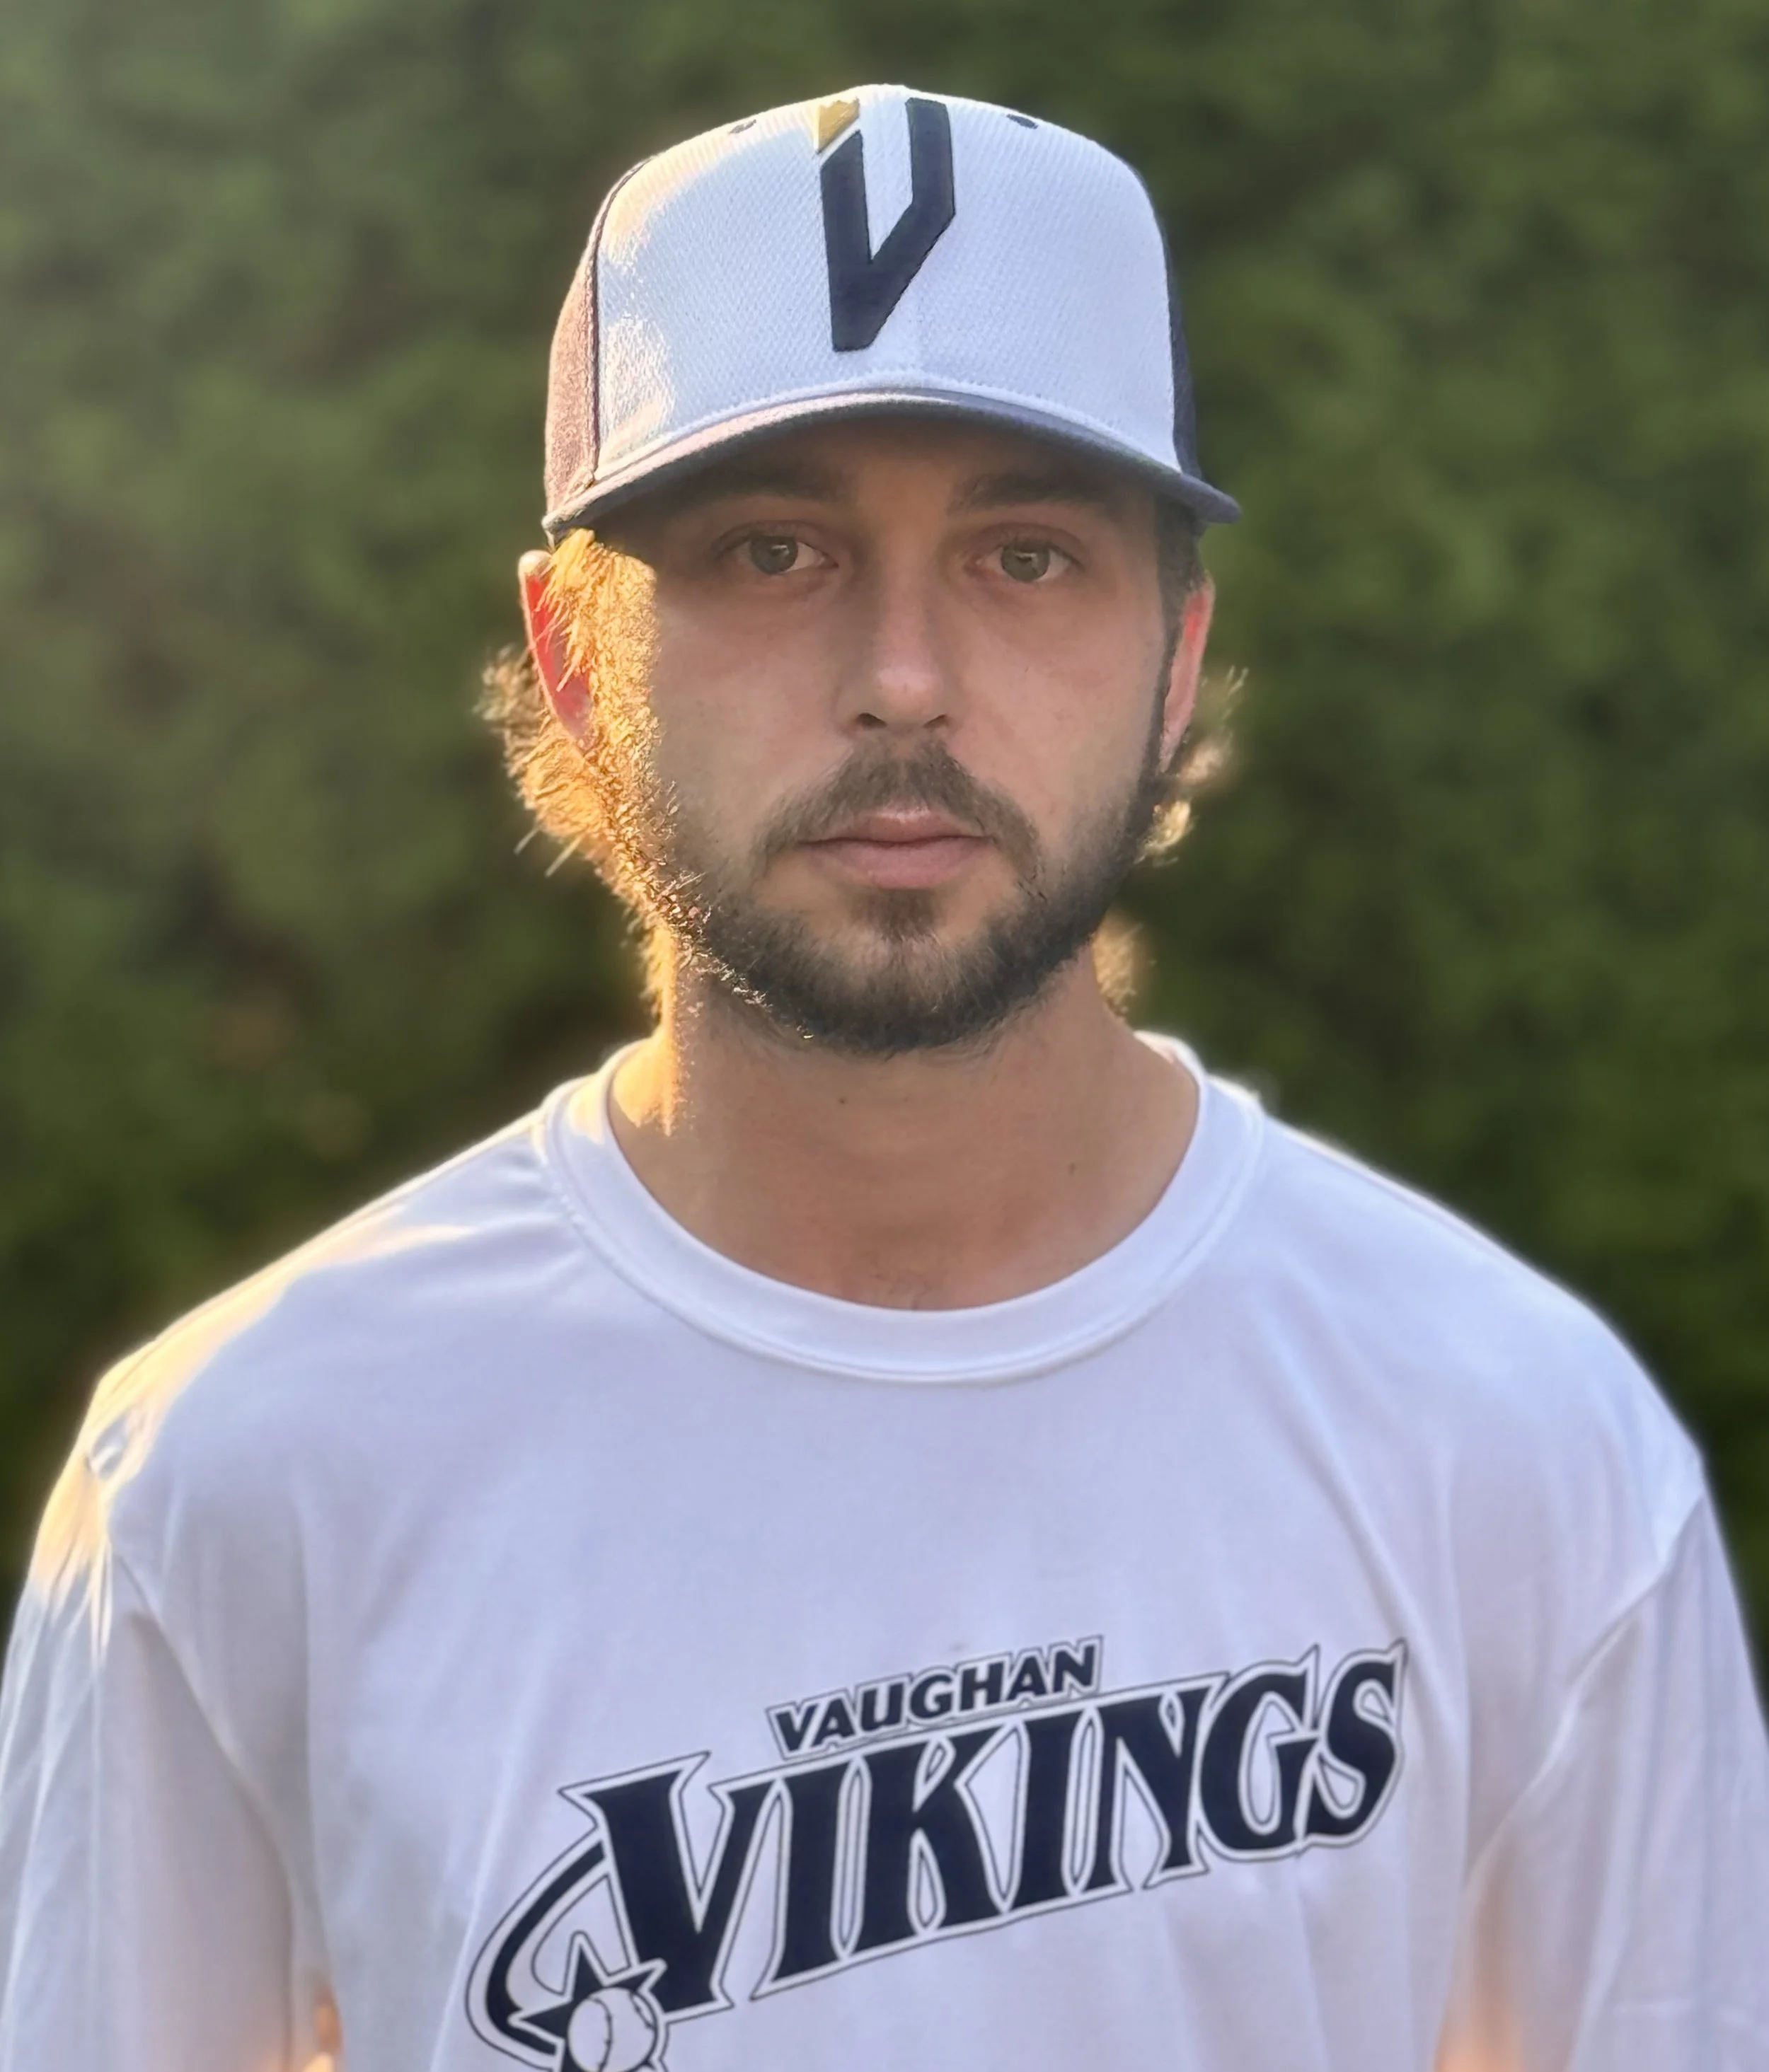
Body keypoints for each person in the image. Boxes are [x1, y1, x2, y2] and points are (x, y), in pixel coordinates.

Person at [0, 81, 1763, 2072]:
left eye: (1024, 559)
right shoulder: (241, 1470)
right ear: (574, 657)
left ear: (1176, 657)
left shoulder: (1517, 1447)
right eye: (769, 550)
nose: (904, 676)